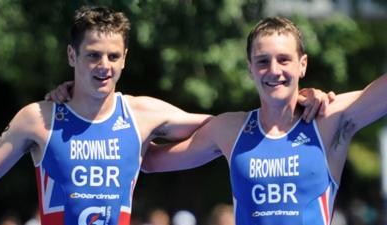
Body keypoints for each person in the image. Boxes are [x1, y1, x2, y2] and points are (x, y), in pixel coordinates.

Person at [0, 5, 330, 225]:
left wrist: (300, 97)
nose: (103, 66)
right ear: (72, 56)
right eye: (93, 55)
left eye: (112, 56)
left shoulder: (142, 114)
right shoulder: (38, 118)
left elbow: (232, 127)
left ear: (124, 59)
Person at [140, 17, 387, 225]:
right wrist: (128, 109)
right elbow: (150, 160)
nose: (274, 70)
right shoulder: (230, 129)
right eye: (262, 61)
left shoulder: (327, 119)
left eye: (284, 59)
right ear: (250, 69)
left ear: (302, 65)